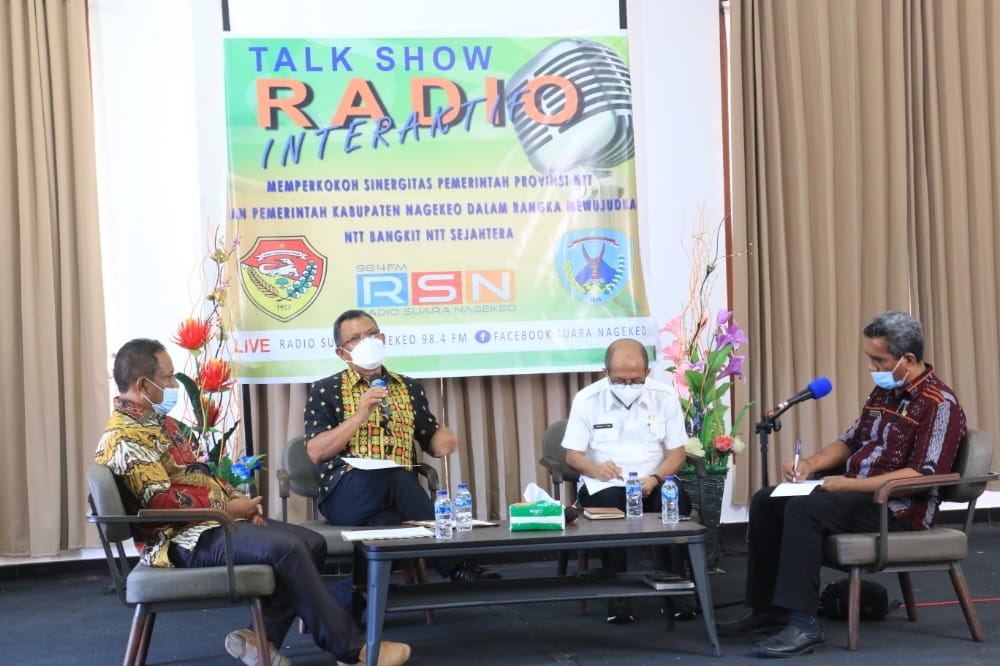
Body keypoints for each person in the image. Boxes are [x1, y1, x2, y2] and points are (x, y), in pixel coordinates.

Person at [95, 338, 411, 666]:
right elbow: (159, 501)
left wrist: (234, 497)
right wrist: (226, 510)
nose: (175, 385)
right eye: (169, 378)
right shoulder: (124, 437)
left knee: (312, 542)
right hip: (178, 539)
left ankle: (259, 638)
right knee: (287, 549)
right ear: (143, 384)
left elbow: (197, 474)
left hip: (209, 522)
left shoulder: (164, 424)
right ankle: (354, 650)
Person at [719, 311, 967, 658]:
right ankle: (768, 608)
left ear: (908, 359)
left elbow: (921, 477)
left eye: (878, 359)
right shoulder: (883, 394)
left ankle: (804, 624)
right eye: (870, 358)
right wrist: (809, 465)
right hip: (858, 496)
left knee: (805, 509)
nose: (871, 367)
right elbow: (850, 441)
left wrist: (847, 486)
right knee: (766, 500)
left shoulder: (940, 405)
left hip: (897, 508)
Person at [305, 309, 499, 582]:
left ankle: (357, 598)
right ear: (342, 353)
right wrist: (360, 415)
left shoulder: (408, 387)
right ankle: (459, 565)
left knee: (385, 523)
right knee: (394, 474)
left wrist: (441, 439)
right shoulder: (327, 389)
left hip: (396, 497)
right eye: (356, 339)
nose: (367, 341)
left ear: (382, 338)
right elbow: (316, 452)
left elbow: (429, 435)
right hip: (345, 494)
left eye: (371, 334)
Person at [561, 337, 692, 624]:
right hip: (607, 485)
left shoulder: (664, 396)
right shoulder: (587, 400)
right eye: (620, 380)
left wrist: (656, 478)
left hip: (653, 479)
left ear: (647, 373)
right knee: (609, 506)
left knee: (677, 501)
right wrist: (596, 469)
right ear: (605, 372)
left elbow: (677, 454)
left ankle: (674, 587)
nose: (629, 387)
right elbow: (573, 456)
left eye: (636, 380)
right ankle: (617, 590)